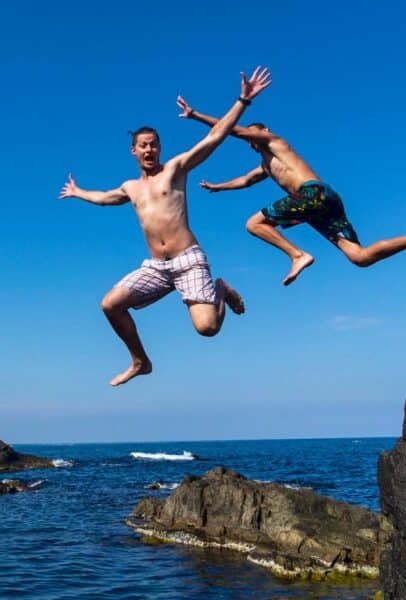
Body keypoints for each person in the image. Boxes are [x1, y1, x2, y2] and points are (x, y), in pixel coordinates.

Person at [60, 67, 272, 386]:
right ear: (133, 150)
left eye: (154, 145)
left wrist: (243, 100)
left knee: (208, 329)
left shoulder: (174, 170)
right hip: (157, 267)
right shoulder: (130, 187)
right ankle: (140, 361)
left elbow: (214, 138)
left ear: (160, 148)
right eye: (143, 145)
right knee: (110, 304)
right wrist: (78, 192)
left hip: (188, 261)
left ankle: (221, 288)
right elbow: (103, 198)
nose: (149, 150)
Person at [177, 98, 406, 286]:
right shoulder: (266, 165)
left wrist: (196, 116)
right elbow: (244, 181)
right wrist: (217, 187)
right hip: (320, 204)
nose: (252, 141)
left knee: (254, 224)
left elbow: (234, 131)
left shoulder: (275, 142)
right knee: (359, 258)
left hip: (312, 195)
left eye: (254, 136)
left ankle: (297, 255)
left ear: (263, 132)